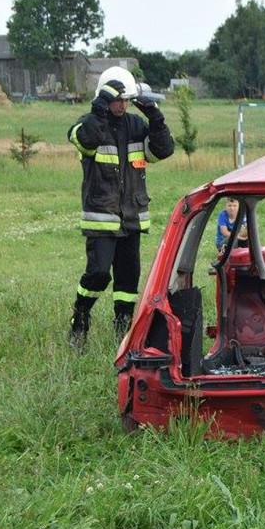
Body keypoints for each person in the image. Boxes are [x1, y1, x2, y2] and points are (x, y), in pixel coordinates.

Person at [67, 66, 175, 349]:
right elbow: (86, 140)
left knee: (128, 281)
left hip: (132, 218)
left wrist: (155, 117)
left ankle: (122, 332)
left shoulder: (137, 126)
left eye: (127, 99)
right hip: (101, 218)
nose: (123, 104)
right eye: (117, 99)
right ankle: (80, 317)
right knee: (99, 273)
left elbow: (162, 150)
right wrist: (98, 108)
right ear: (104, 97)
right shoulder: (87, 125)